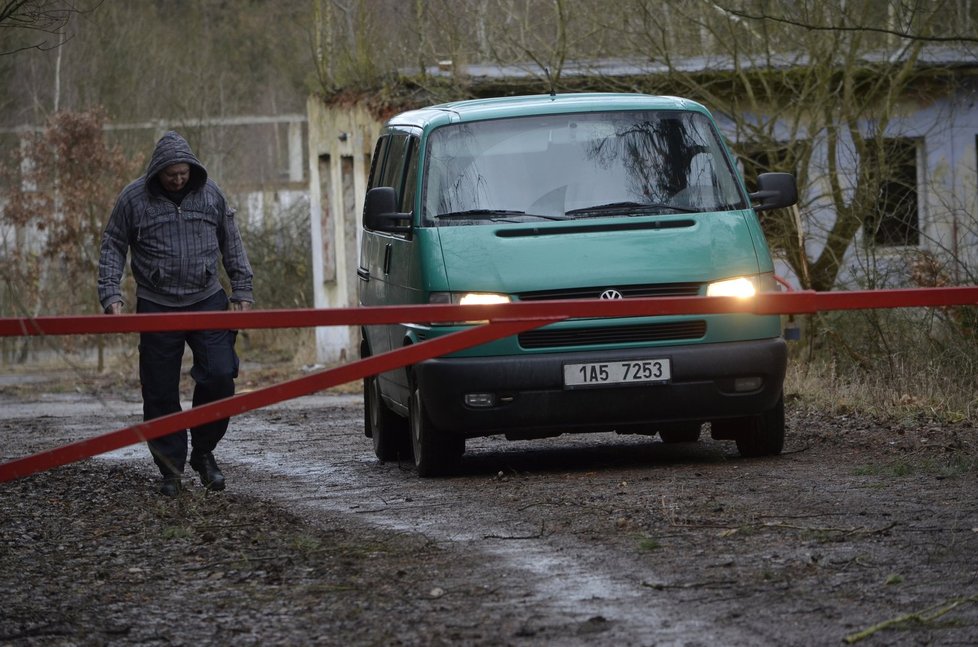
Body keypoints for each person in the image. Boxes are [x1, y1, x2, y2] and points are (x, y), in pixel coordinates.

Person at [98, 130, 254, 497]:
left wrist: (241, 288)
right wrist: (111, 295)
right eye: (172, 175)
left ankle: (203, 452)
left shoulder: (210, 193)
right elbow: (113, 245)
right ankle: (170, 468)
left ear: (192, 171)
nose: (178, 180)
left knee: (219, 375)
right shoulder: (133, 199)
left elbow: (231, 240)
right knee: (159, 390)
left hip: (207, 298)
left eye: (183, 174)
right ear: (158, 173)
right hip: (157, 303)